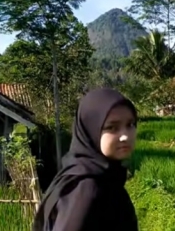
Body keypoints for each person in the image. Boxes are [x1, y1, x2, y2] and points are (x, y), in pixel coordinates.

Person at [32, 88, 139, 231]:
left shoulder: (104, 177)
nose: (125, 136)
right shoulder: (87, 189)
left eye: (130, 124)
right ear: (90, 130)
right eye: (112, 127)